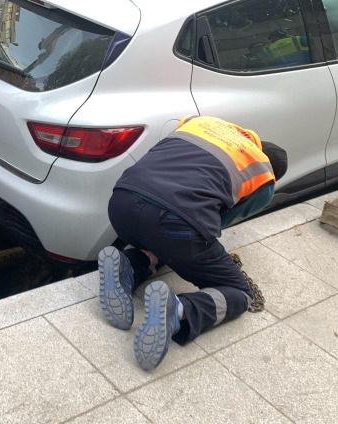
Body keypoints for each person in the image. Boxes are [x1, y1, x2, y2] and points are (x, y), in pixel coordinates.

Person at [100, 116, 288, 371]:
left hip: (121, 204)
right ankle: (178, 310)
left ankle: (128, 267)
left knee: (168, 234)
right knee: (241, 292)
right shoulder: (263, 175)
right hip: (177, 223)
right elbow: (216, 222)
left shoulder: (202, 124)